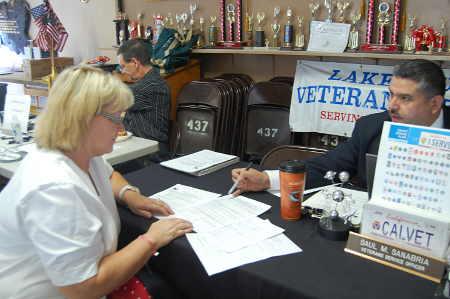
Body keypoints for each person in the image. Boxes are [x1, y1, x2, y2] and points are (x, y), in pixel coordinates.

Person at [0, 65, 192, 299]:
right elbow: (83, 287)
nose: (122, 127)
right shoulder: (54, 188)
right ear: (85, 118)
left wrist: (130, 195)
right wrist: (151, 239)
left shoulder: (79, 152)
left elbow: (108, 174)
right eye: (116, 117)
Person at [232, 59, 450, 194]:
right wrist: (266, 179)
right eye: (391, 94)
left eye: (405, 98)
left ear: (435, 104)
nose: (392, 106)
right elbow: (327, 166)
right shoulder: (371, 126)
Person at [117, 39, 171, 153]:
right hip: (137, 148)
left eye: (123, 66)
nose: (122, 71)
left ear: (135, 63)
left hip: (150, 155)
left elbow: (112, 98)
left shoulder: (152, 85)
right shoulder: (148, 81)